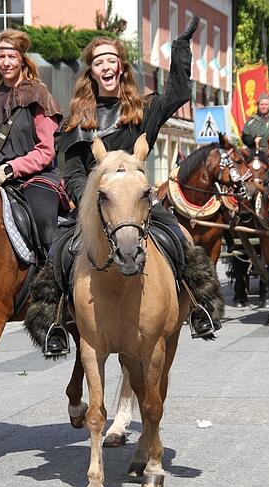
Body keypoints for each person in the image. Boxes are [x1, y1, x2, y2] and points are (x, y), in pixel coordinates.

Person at [25, 16, 225, 357]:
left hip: (140, 200)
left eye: (111, 60)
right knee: (58, 251)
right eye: (98, 62)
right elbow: (73, 173)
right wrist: (89, 200)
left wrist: (180, 48)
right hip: (97, 204)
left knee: (179, 238)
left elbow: (179, 93)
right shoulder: (78, 120)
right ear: (91, 72)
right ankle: (52, 323)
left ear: (121, 68)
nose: (106, 66)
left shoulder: (144, 109)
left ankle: (201, 305)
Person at [0, 29, 67, 257]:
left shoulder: (38, 94)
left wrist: (10, 168)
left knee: (42, 218)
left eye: (11, 56)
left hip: (35, 179)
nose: (6, 62)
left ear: (22, 60)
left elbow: (46, 150)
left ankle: (50, 272)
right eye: (1, 57)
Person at [241, 93, 269, 160]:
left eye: (266, 104)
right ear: (258, 105)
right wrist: (253, 140)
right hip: (254, 152)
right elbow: (244, 137)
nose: (264, 107)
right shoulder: (251, 119)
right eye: (261, 104)